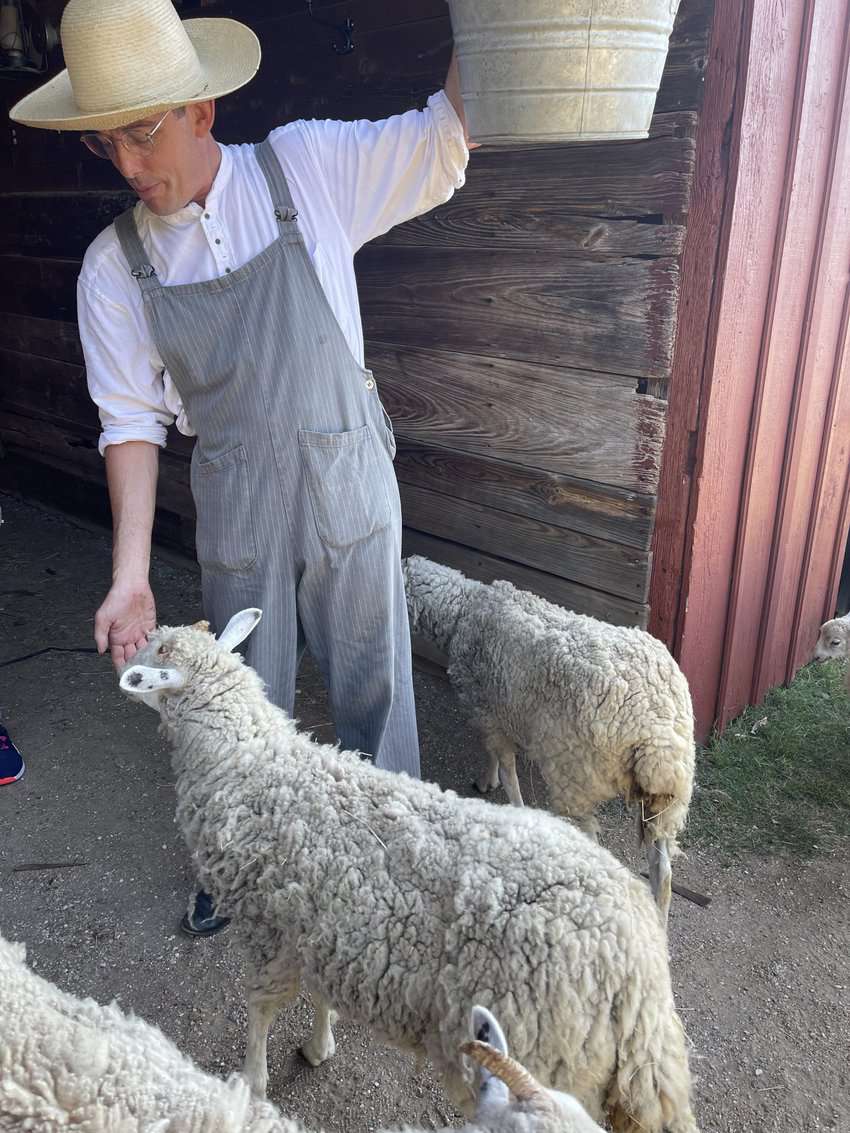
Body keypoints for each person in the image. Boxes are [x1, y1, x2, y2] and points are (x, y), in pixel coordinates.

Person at [11, 0, 469, 935]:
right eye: (107, 146)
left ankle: (395, 862)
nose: (132, 167)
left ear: (200, 111)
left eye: (143, 134)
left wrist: (496, 25)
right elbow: (130, 420)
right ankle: (240, 854)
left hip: (350, 475)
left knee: (375, 685)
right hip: (236, 499)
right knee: (238, 696)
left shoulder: (306, 168)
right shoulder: (114, 268)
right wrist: (130, 576)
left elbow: (443, 135)